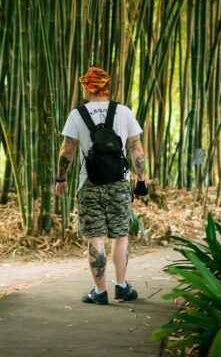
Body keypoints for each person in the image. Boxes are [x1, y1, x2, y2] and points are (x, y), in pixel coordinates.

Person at [55, 66, 147, 305]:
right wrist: (140, 179)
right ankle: (122, 286)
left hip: (90, 185)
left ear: (87, 87)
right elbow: (136, 147)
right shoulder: (123, 112)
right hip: (119, 183)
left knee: (96, 238)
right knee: (121, 236)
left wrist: (61, 178)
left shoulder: (77, 114)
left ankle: (100, 291)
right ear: (106, 87)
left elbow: (67, 150)